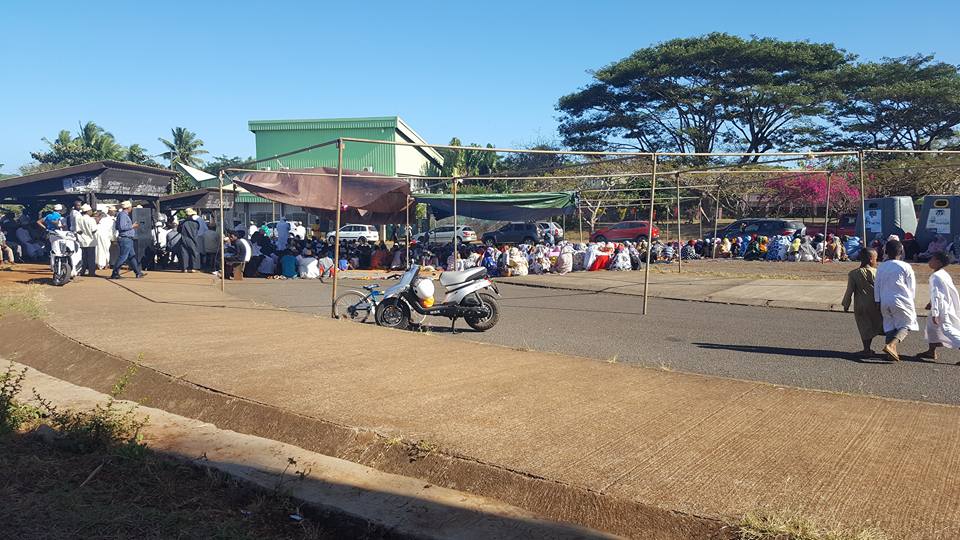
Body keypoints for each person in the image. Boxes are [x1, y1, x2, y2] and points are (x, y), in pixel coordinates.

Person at [874, 240, 918, 361]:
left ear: (886, 252)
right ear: (902, 251)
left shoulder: (881, 266)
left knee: (889, 325)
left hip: (884, 300)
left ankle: (890, 354)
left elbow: (877, 285)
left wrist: (877, 301)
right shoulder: (906, 266)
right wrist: (911, 301)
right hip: (901, 299)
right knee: (907, 323)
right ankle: (892, 345)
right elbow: (911, 287)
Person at [917, 251, 960, 362]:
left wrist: (935, 312)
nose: (930, 261)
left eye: (932, 259)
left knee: (947, 329)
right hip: (942, 305)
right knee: (931, 328)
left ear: (939, 262)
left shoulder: (936, 276)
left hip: (942, 308)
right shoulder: (943, 273)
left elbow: (937, 295)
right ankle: (931, 351)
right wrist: (930, 303)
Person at [841, 248, 884, 356]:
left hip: (860, 306)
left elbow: (849, 291)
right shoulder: (878, 273)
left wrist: (846, 304)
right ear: (871, 259)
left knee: (864, 328)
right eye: (876, 259)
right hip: (876, 304)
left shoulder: (853, 274)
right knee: (880, 324)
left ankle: (867, 349)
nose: (876, 261)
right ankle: (890, 346)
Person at [109, 201, 144, 279]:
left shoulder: (122, 215)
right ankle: (115, 272)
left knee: (132, 256)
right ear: (128, 208)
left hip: (127, 238)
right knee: (123, 257)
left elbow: (118, 227)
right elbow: (122, 227)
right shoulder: (123, 215)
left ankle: (138, 272)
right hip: (125, 238)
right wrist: (132, 226)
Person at [76, 203, 98, 276]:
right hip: (90, 241)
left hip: (82, 240)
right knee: (91, 257)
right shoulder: (91, 220)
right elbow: (94, 230)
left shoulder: (79, 219)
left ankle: (83, 271)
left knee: (84, 257)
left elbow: (78, 231)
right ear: (88, 211)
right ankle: (91, 272)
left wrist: (83, 233)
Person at [177, 208, 202, 273]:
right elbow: (198, 230)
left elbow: (178, 230)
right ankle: (194, 268)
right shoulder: (196, 223)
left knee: (184, 253)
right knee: (194, 252)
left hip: (184, 239)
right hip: (193, 239)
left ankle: (184, 268)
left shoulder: (182, 223)